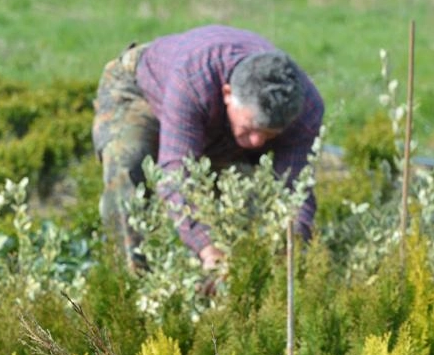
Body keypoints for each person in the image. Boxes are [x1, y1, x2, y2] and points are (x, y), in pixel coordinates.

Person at [91, 24, 324, 273]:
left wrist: (293, 250)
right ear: (228, 94)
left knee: (241, 198)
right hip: (141, 89)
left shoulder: (305, 108)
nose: (258, 142)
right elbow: (175, 174)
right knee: (128, 161)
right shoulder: (193, 80)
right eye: (252, 128)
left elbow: (295, 191)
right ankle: (129, 283)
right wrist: (207, 247)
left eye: (270, 134)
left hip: (215, 119)